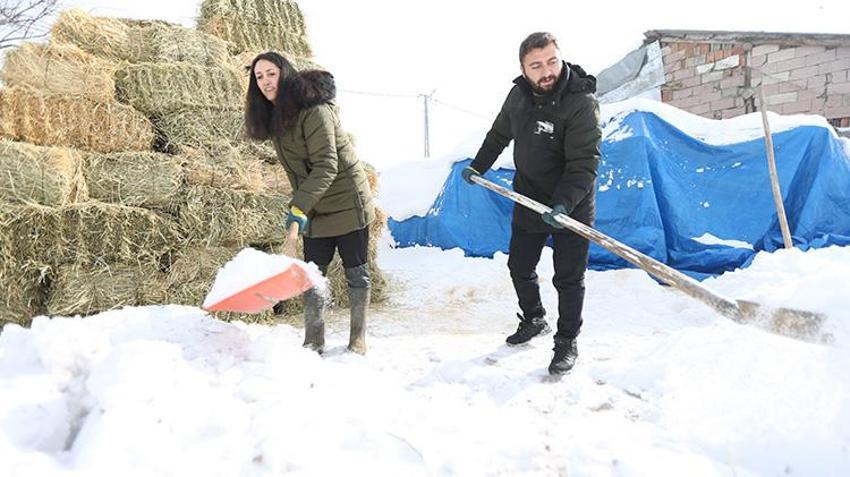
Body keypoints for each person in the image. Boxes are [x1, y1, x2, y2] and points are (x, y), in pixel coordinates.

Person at [462, 32, 601, 375]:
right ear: (523, 69)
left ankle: (566, 340)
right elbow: (499, 134)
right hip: (529, 196)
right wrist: (478, 166)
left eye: (552, 61)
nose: (547, 71)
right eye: (536, 66)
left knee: (568, 278)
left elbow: (584, 164)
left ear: (561, 58)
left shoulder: (580, 101)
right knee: (520, 267)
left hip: (571, 204)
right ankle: (534, 318)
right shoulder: (519, 96)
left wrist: (564, 204)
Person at [244, 51, 376, 355]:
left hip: (347, 200)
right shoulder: (277, 117)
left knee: (356, 272)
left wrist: (299, 205)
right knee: (313, 274)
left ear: (286, 73)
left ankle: (358, 339)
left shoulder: (314, 110)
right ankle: (313, 341)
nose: (265, 81)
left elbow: (327, 165)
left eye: (271, 73)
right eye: (259, 77)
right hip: (315, 205)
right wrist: (302, 206)